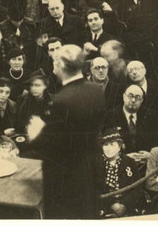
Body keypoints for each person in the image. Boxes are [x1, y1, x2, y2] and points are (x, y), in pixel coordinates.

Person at [25, 44, 106, 218]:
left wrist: (35, 133)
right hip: (90, 171)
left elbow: (50, 146)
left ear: (61, 65)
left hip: (66, 180)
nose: (53, 64)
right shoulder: (95, 90)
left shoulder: (62, 100)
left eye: (55, 60)